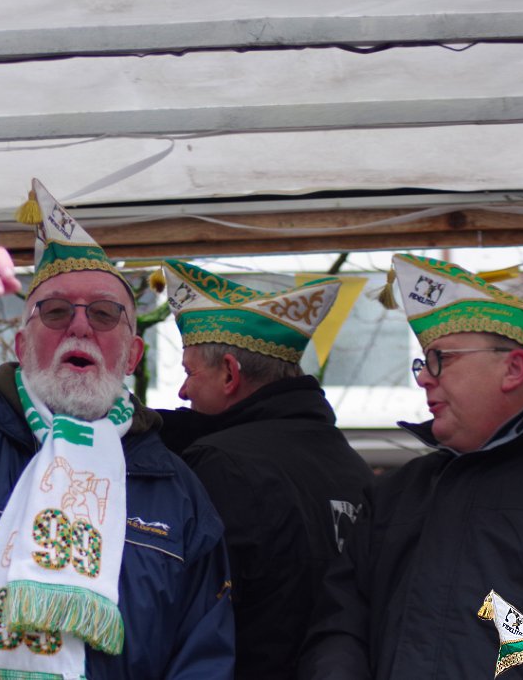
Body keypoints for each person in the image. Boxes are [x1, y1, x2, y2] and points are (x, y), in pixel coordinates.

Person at [0, 179, 235, 679]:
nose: (79, 327)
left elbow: (202, 655)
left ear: (132, 355)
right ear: (21, 346)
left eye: (104, 314)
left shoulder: (176, 492)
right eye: (55, 312)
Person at [300, 253, 523, 679]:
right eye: (423, 362)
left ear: (513, 368)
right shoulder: (397, 493)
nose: (423, 378)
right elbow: (342, 626)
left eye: (440, 359)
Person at [153, 259, 373, 680]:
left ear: (230, 373)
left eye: (189, 372)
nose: (182, 391)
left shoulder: (220, 464)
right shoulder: (353, 466)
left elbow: (187, 616)